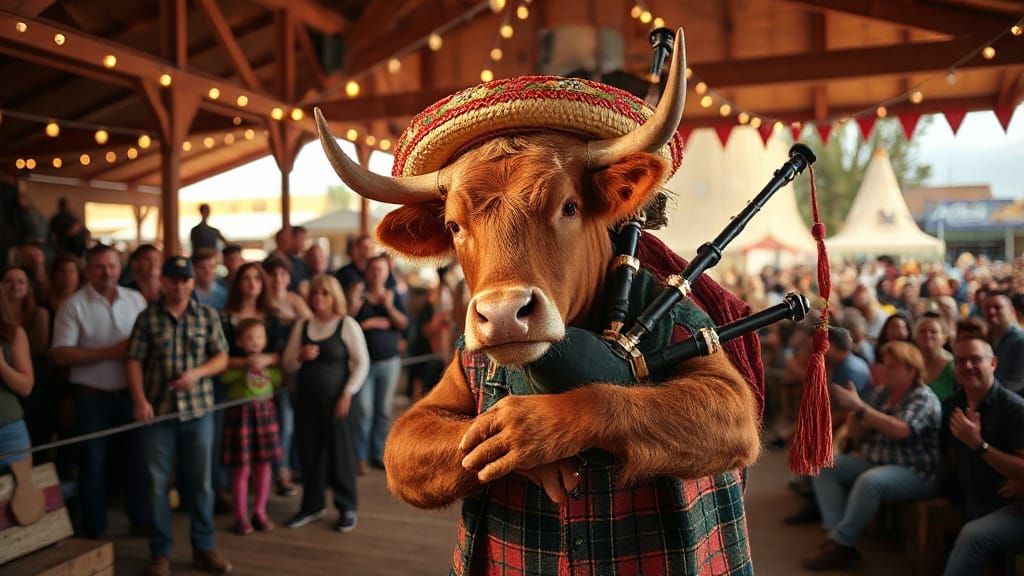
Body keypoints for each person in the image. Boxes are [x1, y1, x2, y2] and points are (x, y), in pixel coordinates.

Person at [127, 256, 231, 576]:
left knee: (201, 484)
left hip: (199, 411)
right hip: (158, 413)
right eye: (173, 279)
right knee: (157, 485)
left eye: (185, 280)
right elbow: (133, 361)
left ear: (191, 282)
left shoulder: (206, 315)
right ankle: (160, 554)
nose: (180, 285)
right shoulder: (147, 318)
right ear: (164, 282)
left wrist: (198, 373)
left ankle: (204, 548)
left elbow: (222, 357)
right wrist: (140, 399)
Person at [803, 341, 942, 571]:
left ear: (912, 370)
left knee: (870, 482)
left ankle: (841, 543)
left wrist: (862, 409)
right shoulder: (882, 394)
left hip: (915, 471)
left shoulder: (923, 397)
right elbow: (857, 437)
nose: (885, 371)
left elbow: (902, 430)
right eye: (885, 365)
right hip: (876, 461)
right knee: (824, 464)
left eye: (893, 367)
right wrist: (855, 413)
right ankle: (836, 538)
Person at [51, 244, 150, 539]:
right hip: (91, 396)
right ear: (87, 270)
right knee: (93, 464)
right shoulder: (73, 305)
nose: (106, 272)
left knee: (136, 460)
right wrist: (111, 352)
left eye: (111, 266)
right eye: (99, 267)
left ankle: (140, 520)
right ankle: (95, 527)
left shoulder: (135, 299)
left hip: (131, 393)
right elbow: (61, 355)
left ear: (120, 268)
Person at [282, 274, 368, 531]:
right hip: (306, 402)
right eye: (315, 293)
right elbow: (287, 363)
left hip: (337, 402)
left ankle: (346, 506)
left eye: (325, 293)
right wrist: (299, 355)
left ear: (334, 296)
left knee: (340, 455)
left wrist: (347, 393)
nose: (319, 298)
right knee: (309, 454)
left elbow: (362, 363)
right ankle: (312, 505)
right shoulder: (303, 325)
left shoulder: (346, 324)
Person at [942, 336, 1024, 575]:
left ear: (994, 364)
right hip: (973, 500)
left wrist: (979, 445)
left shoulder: (1014, 409)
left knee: (972, 536)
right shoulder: (952, 405)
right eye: (960, 361)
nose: (967, 366)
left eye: (975, 359)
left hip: (1011, 507)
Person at [220, 262, 292, 499]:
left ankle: (276, 478)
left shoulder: (272, 317)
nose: (252, 284)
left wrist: (266, 359)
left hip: (267, 385)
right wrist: (246, 363)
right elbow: (218, 356)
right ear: (237, 283)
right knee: (235, 449)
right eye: (246, 278)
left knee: (273, 439)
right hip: (234, 388)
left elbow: (283, 352)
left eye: (257, 279)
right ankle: (232, 493)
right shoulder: (225, 317)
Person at [220, 318, 281, 535]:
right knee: (241, 469)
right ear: (239, 341)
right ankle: (240, 516)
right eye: (249, 337)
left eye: (259, 337)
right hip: (241, 417)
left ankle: (260, 511)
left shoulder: (269, 364)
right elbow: (225, 376)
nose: (255, 342)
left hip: (265, 416)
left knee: (264, 466)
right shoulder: (235, 364)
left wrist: (266, 369)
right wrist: (244, 367)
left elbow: (277, 379)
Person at [351, 255, 407, 471]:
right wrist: (369, 323)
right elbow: (348, 324)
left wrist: (389, 308)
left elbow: (404, 324)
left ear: (387, 273)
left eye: (381, 270)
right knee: (363, 410)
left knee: (383, 410)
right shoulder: (358, 296)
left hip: (389, 362)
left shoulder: (392, 295)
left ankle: (378, 453)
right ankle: (360, 456)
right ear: (367, 272)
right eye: (373, 269)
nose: (376, 274)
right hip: (363, 363)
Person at [261, 256, 309, 494]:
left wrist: (294, 320)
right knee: (282, 425)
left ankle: (293, 468)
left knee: (293, 423)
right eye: (272, 274)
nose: (278, 279)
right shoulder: (262, 303)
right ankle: (281, 473)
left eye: (282, 274)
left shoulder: (295, 300)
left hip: (295, 372)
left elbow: (311, 324)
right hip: (270, 373)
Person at [2, 266, 52, 450]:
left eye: (20, 282)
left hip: (31, 381)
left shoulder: (38, 315)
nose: (14, 287)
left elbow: (38, 350)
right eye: (8, 281)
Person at [0, 286, 34, 474]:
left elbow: (26, 387)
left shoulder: (13, 333)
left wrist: (2, 366)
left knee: (21, 499)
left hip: (8, 431)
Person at [982, 291, 1024, 393]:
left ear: (1012, 311)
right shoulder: (984, 340)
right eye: (987, 308)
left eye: (997, 307)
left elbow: (1016, 383)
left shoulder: (1021, 341)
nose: (991, 312)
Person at [915, 312, 956, 401]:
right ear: (916, 337)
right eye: (922, 331)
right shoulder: (910, 363)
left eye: (933, 332)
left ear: (944, 338)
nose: (927, 335)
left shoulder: (954, 367)